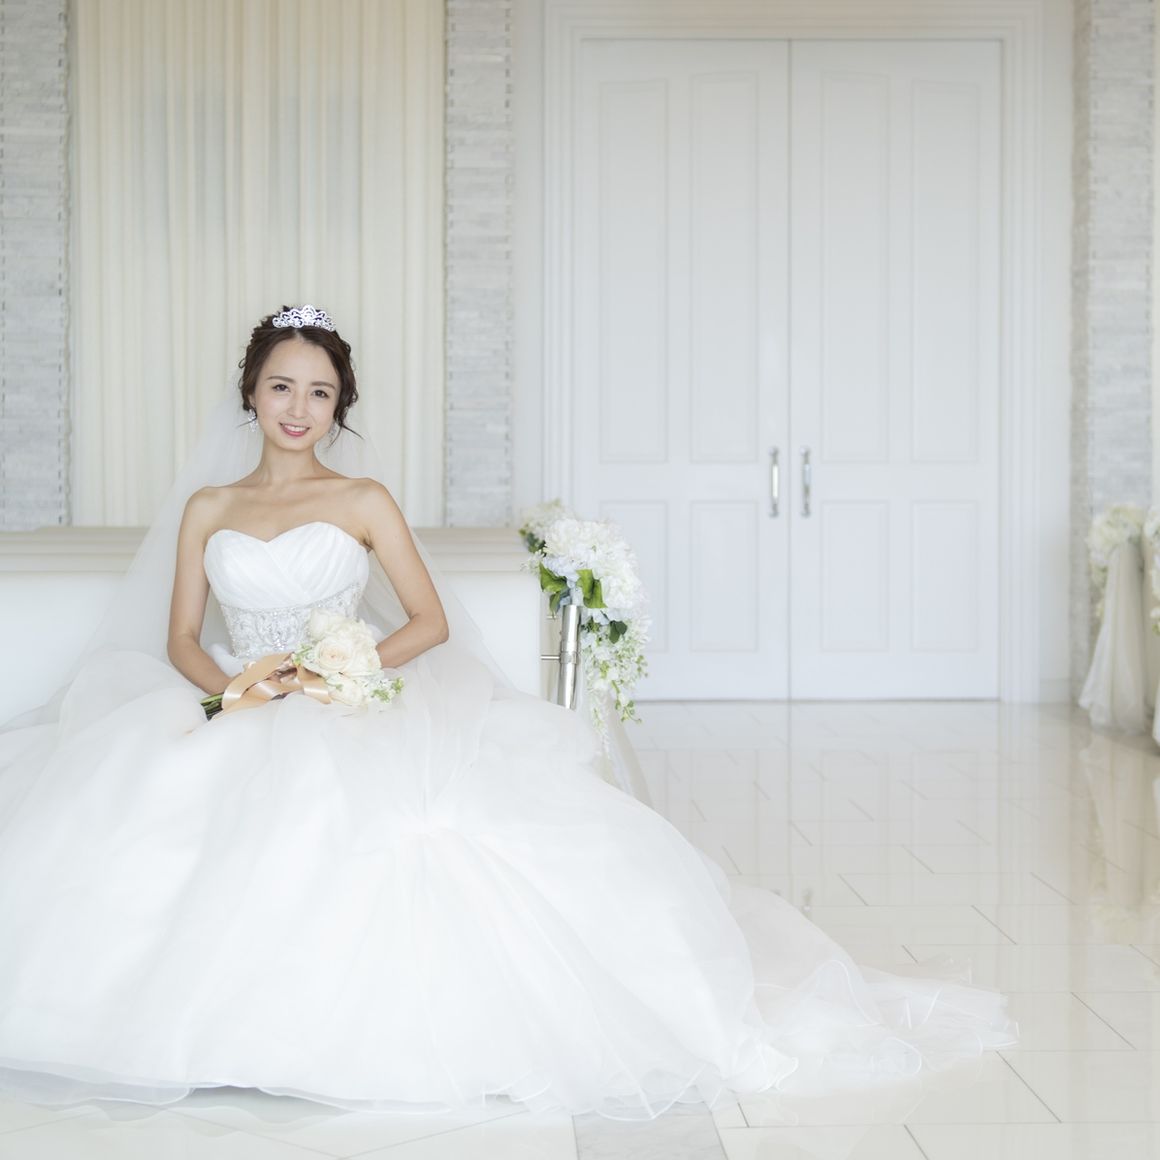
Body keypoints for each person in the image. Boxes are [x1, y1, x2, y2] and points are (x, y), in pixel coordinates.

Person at [0, 306, 1017, 1122]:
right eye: (281, 386)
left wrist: (339, 667)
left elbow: (428, 621)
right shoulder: (209, 509)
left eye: (319, 392)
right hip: (242, 696)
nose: (297, 408)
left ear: (339, 405)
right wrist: (234, 688)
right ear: (250, 392)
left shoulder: (363, 499)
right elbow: (183, 635)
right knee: (147, 820)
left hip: (343, 702)